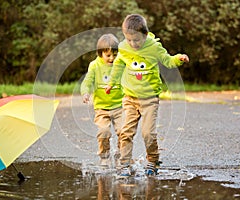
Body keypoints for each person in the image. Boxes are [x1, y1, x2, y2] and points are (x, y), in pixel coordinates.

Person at [105, 14, 189, 176]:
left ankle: (152, 160)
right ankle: (125, 164)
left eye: (136, 40)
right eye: (129, 40)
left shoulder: (153, 46)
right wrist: (112, 83)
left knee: (148, 133)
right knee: (125, 132)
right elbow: (118, 66)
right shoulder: (123, 47)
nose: (132, 43)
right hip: (129, 98)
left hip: (149, 99)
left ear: (145, 34)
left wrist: (179, 58)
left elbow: (167, 60)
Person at [81, 33, 124, 167]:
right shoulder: (95, 65)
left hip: (120, 106)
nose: (112, 58)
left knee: (124, 131)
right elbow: (87, 81)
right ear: (100, 54)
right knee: (104, 132)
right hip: (102, 108)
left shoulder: (121, 64)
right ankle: (104, 156)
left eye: (114, 54)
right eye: (108, 55)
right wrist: (85, 92)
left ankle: (121, 155)